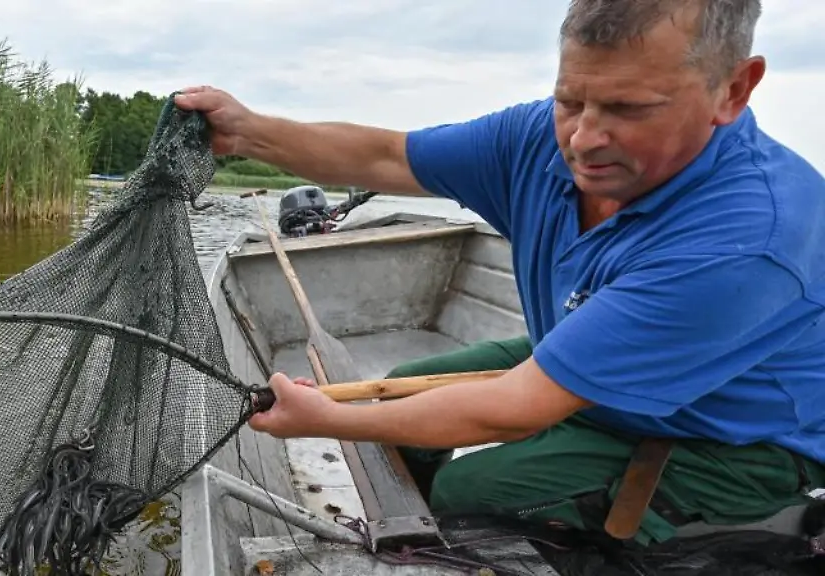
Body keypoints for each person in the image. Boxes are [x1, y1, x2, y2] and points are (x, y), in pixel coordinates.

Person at [175, 0, 825, 547]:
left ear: (733, 90)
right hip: (595, 362)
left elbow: (511, 411)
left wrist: (321, 418)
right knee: (398, 391)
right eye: (572, 99)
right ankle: (418, 537)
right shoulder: (542, 137)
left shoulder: (744, 241)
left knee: (472, 489)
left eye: (630, 109)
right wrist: (249, 133)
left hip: (725, 438)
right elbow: (387, 156)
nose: (584, 139)